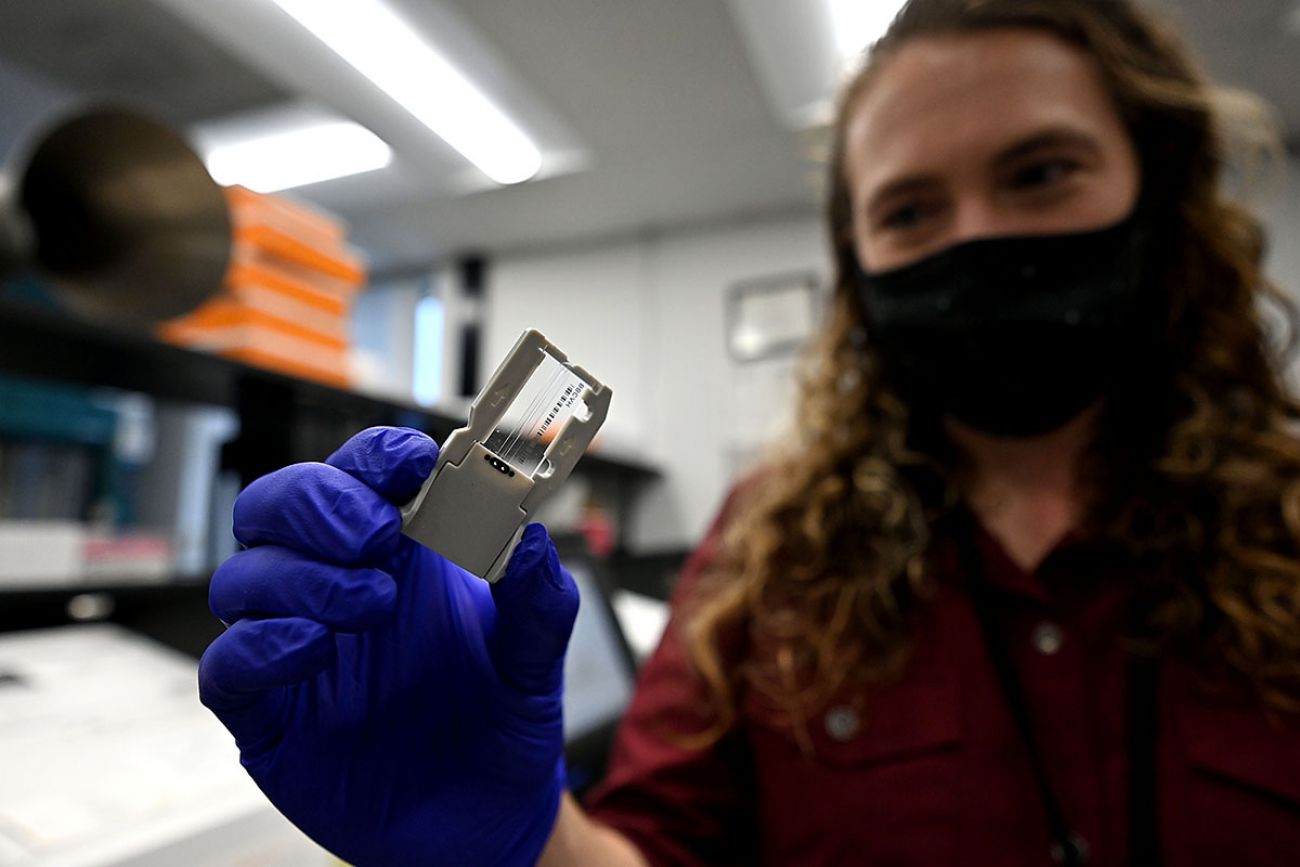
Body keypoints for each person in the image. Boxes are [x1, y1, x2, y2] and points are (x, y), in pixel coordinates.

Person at [198, 0, 1300, 864]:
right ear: (858, 263)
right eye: (909, 209)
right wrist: (524, 838)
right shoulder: (768, 550)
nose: (978, 240)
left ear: (1159, 197)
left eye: (1041, 174)